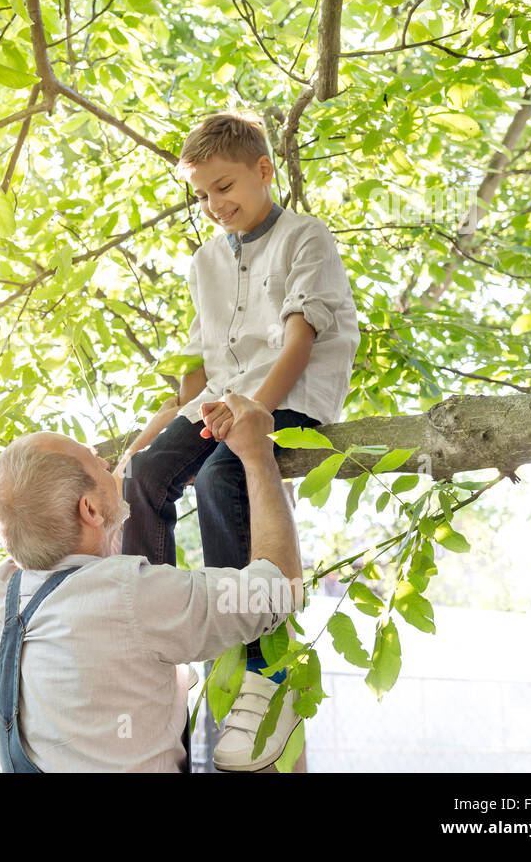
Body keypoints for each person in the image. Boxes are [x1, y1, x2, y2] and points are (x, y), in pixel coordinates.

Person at [113, 112, 359, 771]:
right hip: (218, 399)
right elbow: (195, 375)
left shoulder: (306, 237)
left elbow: (301, 341)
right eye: (202, 195)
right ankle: (156, 627)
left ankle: (261, 662)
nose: (215, 205)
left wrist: (253, 416)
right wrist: (146, 440)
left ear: (263, 171)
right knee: (143, 475)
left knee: (226, 476)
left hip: (289, 395)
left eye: (225, 187)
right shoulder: (203, 261)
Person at [0, 393, 303, 772]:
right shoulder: (128, 595)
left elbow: (92, 515)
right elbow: (278, 589)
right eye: (96, 461)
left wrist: (150, 443)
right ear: (89, 509)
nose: (107, 462)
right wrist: (257, 455)